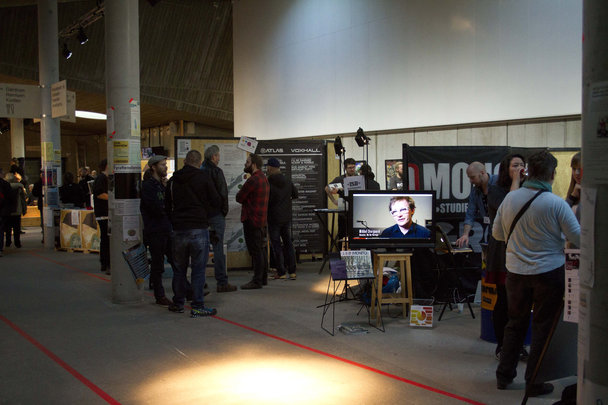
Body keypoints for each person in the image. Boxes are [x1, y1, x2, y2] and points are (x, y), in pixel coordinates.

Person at [493, 150, 580, 397]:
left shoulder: (510, 199)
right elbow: (578, 236)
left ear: (528, 172)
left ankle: (504, 375)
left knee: (515, 324)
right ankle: (534, 382)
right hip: (548, 273)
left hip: (515, 273)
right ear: (552, 174)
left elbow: (497, 234)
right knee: (543, 328)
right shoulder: (555, 203)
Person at [165, 149, 221, 317]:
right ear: (199, 163)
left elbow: (167, 206)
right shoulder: (204, 178)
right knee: (198, 269)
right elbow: (216, 200)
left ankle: (178, 303)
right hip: (199, 228)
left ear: (184, 161)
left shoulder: (173, 180)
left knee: (179, 269)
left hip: (179, 230)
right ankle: (197, 306)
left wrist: (175, 221)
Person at [486, 154, 526, 361]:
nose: (519, 168)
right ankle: (502, 345)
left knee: (521, 302)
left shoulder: (528, 190)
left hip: (521, 249)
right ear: (506, 169)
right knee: (503, 299)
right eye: (515, 165)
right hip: (502, 249)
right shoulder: (495, 191)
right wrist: (516, 181)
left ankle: (517, 345)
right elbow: (510, 208)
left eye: (522, 165)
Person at [200, 145, 237, 293]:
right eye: (218, 156)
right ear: (214, 156)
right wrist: (223, 212)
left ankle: (200, 281)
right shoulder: (216, 171)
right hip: (216, 215)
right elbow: (223, 193)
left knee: (201, 249)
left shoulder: (200, 171)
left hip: (202, 216)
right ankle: (222, 282)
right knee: (218, 248)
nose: (219, 158)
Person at [140, 155, 174, 306]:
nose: (165, 167)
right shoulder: (148, 186)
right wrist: (166, 210)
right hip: (155, 230)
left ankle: (187, 290)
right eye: (162, 164)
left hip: (166, 228)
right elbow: (155, 208)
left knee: (176, 261)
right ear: (153, 167)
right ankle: (159, 295)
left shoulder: (162, 185)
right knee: (157, 264)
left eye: (165, 164)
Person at [236, 153, 270, 289]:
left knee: (256, 251)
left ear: (254, 164)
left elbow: (239, 197)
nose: (245, 164)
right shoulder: (263, 178)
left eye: (248, 162)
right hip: (261, 220)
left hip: (251, 219)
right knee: (261, 249)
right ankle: (263, 278)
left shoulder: (253, 180)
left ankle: (257, 280)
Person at [266, 157, 298, 280]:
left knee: (276, 245)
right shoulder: (287, 180)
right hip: (286, 217)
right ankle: (292, 271)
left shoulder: (268, 181)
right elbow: (295, 194)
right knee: (288, 243)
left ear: (270, 167)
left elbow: (266, 198)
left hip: (273, 217)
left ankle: (281, 272)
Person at [456, 161, 498, 247]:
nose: (470, 181)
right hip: (492, 231)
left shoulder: (498, 182)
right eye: (469, 178)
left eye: (472, 177)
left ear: (482, 173)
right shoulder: (475, 191)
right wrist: (465, 234)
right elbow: (470, 214)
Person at [92, 159, 110, 275]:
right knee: (106, 238)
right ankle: (106, 262)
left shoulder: (105, 178)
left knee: (106, 238)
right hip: (103, 213)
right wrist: (113, 198)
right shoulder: (101, 178)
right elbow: (99, 194)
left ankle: (105, 262)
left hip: (104, 213)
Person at [4, 173, 27, 249]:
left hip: (7, 211)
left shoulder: (4, 187)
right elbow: (23, 200)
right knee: (17, 228)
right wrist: (24, 209)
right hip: (17, 210)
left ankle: (8, 242)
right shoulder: (19, 187)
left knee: (8, 228)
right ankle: (17, 242)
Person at [0, 168, 14, 257]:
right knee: (1, 229)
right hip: (3, 210)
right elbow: (11, 197)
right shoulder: (5, 184)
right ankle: (0, 249)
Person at [565, 152, 581, 218]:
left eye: (580, 169)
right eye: (574, 169)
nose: (577, 173)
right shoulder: (573, 190)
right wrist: (572, 196)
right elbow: (562, 214)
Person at [31, 171, 44, 243]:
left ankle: (45, 235)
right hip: (43, 202)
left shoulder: (37, 183)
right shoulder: (38, 183)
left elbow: (34, 193)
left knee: (43, 219)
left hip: (41, 202)